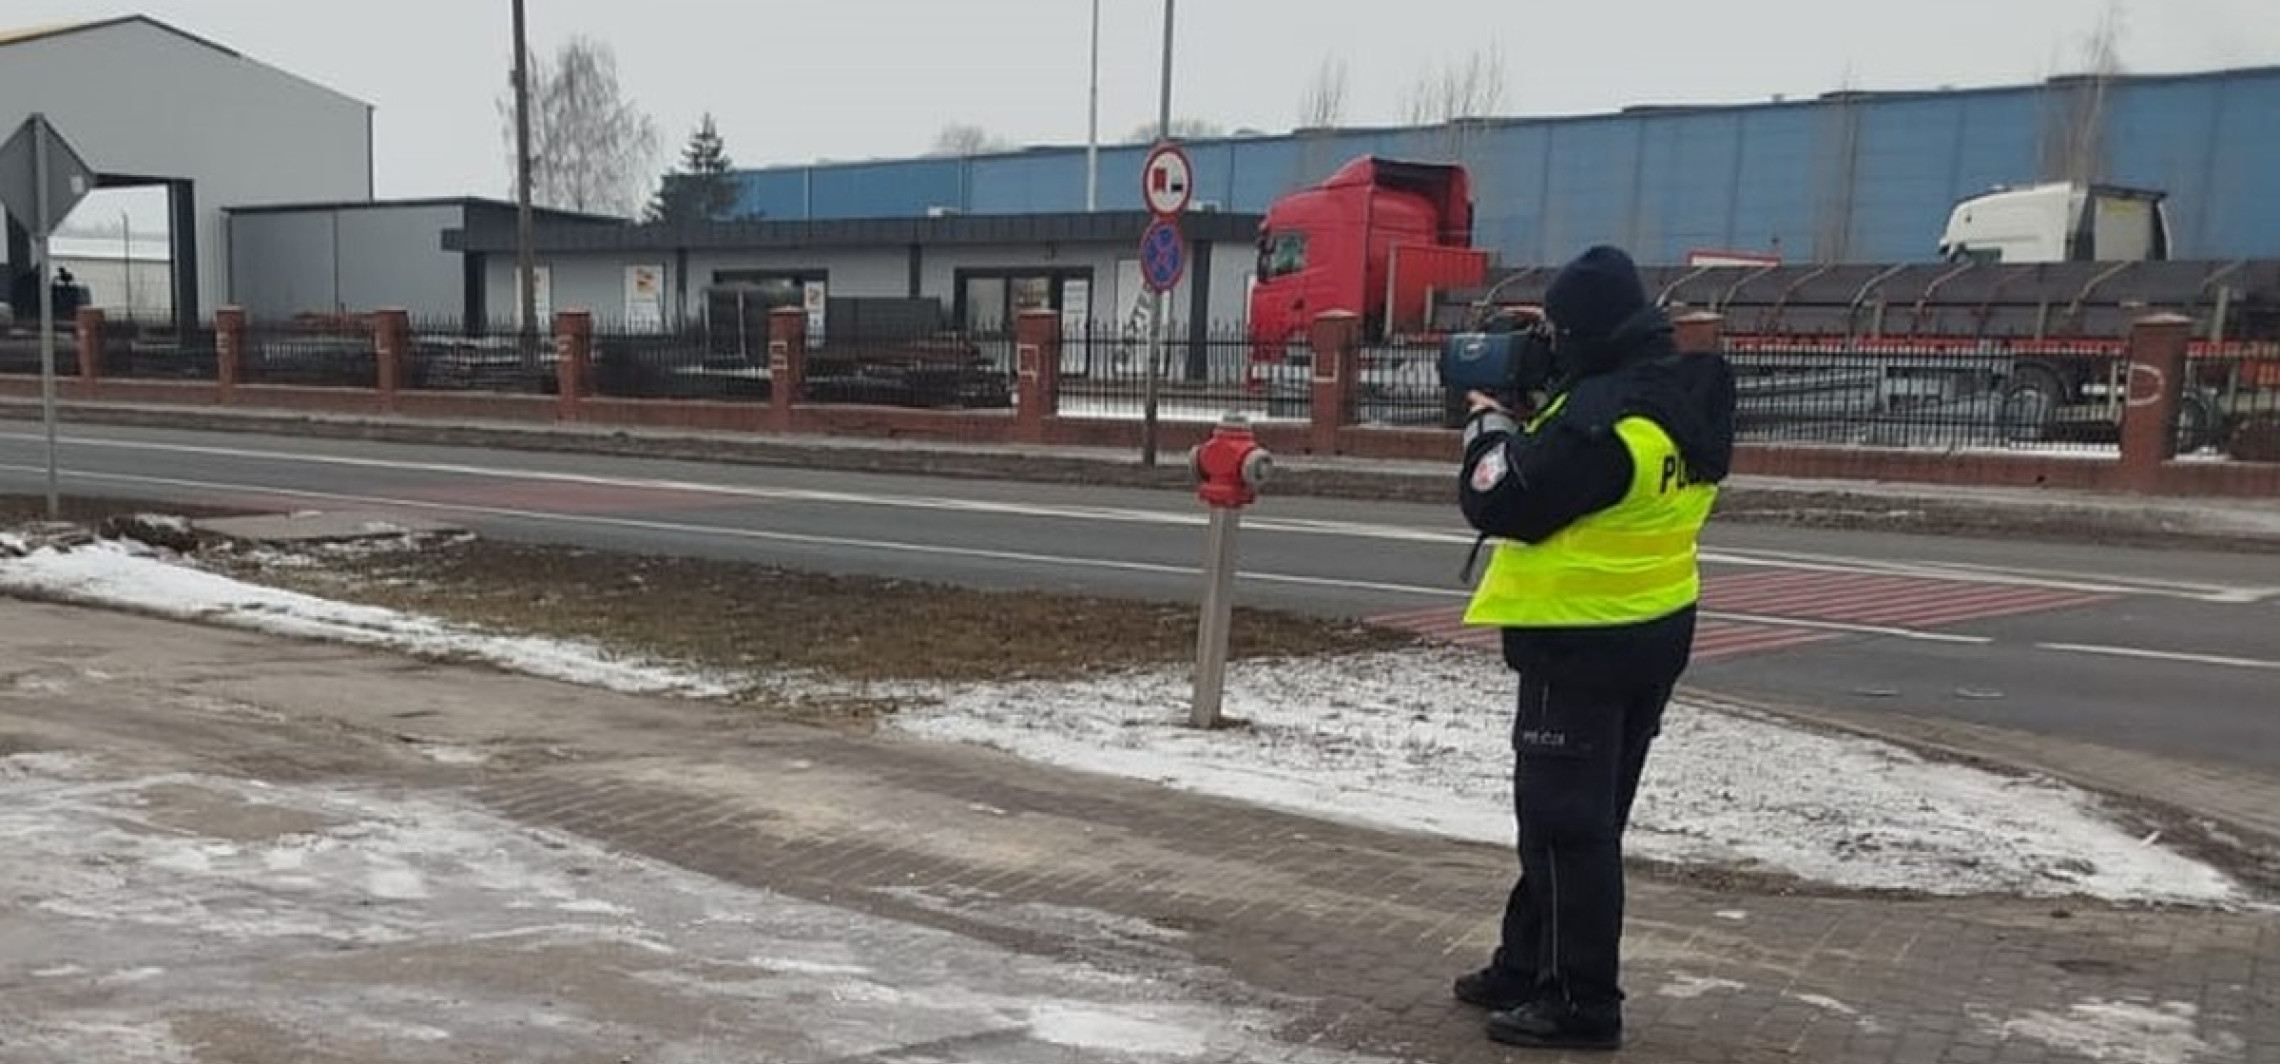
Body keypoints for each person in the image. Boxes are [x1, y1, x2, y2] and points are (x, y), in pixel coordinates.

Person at [1448, 245, 1736, 1051]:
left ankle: (1580, 1001)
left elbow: (1501, 499)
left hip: (1579, 641)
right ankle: (1524, 963)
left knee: (1564, 824)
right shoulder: (1679, 393)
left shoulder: (1602, 425)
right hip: (1653, 628)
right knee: (1584, 819)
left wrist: (1486, 429)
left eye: (1558, 328)